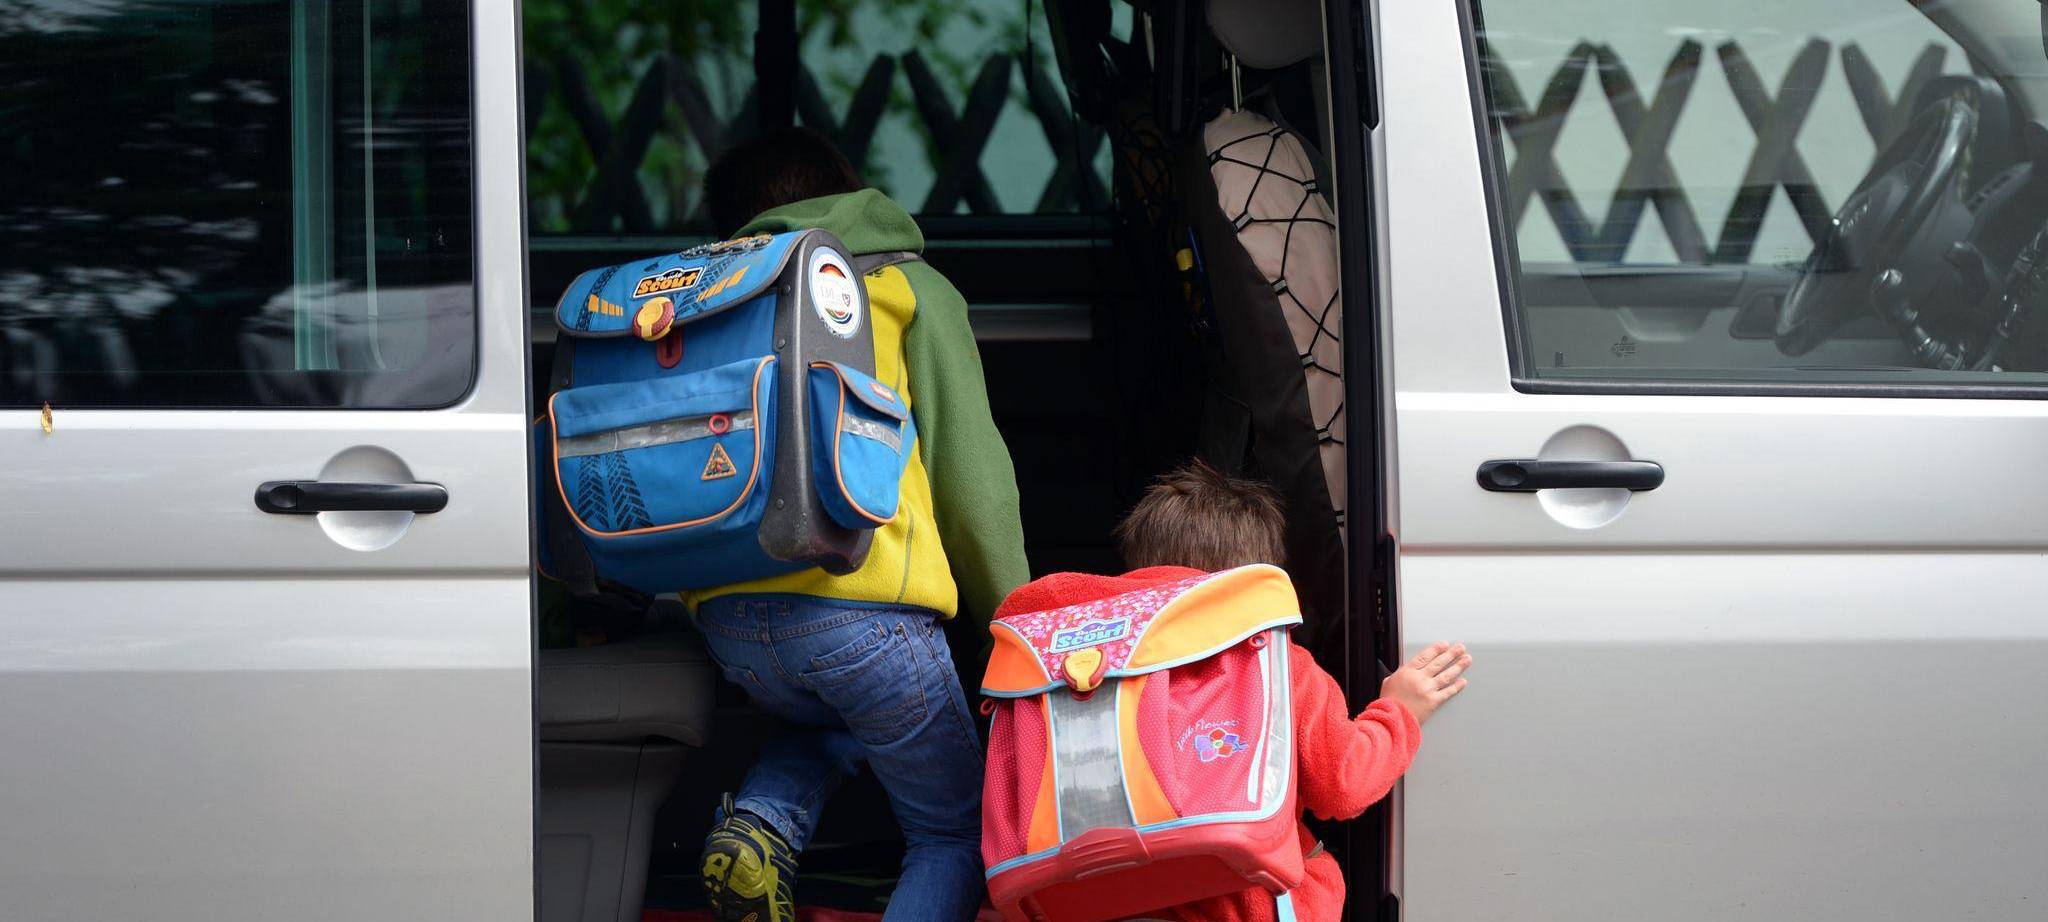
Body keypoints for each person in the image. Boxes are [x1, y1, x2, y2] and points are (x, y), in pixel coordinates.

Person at [687, 127, 1030, 922]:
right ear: (849, 196)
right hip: (866, 617)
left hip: (733, 627)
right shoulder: (905, 287)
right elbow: (975, 484)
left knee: (839, 718)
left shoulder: (707, 298)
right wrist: (1020, 630)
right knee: (953, 835)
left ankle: (759, 824)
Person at [990, 461, 1471, 922]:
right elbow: (1342, 783)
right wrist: (1397, 711)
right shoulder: (1275, 663)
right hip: (1244, 908)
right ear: (1250, 581)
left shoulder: (1072, 670)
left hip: (1096, 907)